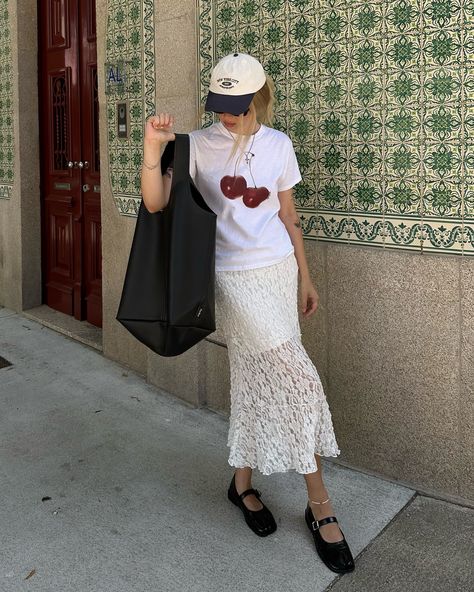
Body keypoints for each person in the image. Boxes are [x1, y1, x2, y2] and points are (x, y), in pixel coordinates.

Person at [140, 52, 355, 574]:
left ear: (259, 97)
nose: (226, 115)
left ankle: (241, 486)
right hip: (231, 282)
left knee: (255, 382)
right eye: (219, 105)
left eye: (236, 106)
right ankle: (320, 506)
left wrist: (305, 274)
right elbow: (155, 204)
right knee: (299, 384)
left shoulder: (279, 145)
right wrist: (151, 149)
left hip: (278, 273)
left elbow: (287, 215)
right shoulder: (196, 145)